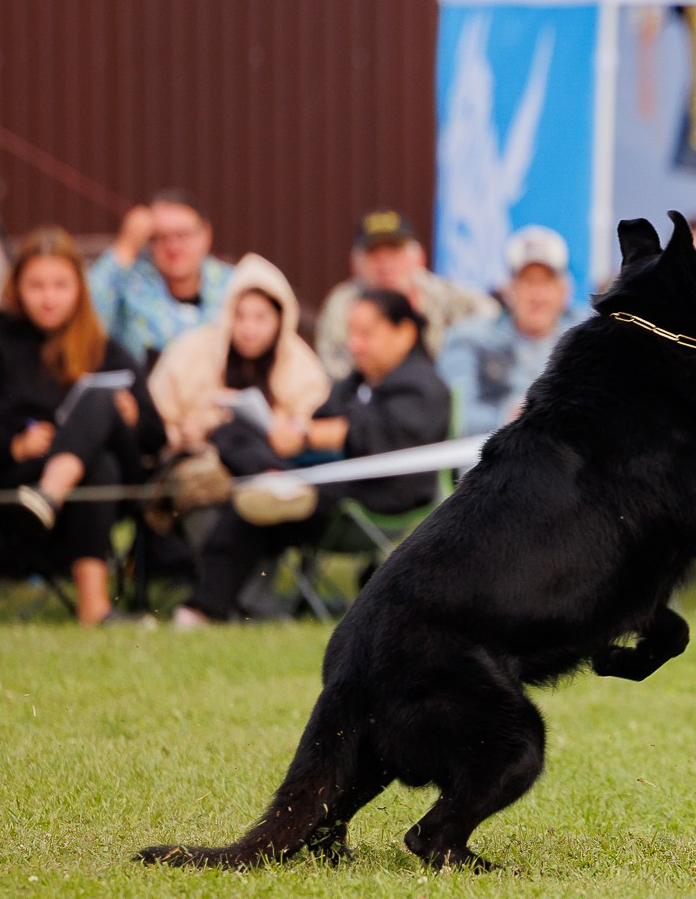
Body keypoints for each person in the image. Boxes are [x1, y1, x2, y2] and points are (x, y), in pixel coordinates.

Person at [174, 288, 451, 625]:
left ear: (404, 332)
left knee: (259, 506)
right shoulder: (355, 382)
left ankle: (204, 607)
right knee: (235, 442)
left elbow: (381, 437)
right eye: (352, 333)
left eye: (366, 334)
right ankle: (271, 478)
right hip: (321, 480)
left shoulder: (425, 385)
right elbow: (319, 420)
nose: (355, 344)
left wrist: (307, 434)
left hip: (381, 494)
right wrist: (283, 431)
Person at [0, 227, 165, 625]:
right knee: (100, 467)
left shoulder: (106, 351)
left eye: (60, 285)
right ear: (17, 287)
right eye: (37, 285)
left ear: (79, 288)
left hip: (101, 496)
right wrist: (12, 445)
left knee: (102, 400)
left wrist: (131, 419)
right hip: (16, 486)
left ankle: (51, 492)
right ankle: (94, 608)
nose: (49, 298)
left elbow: (155, 437)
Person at [146, 253, 331, 468]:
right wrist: (186, 433)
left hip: (282, 460)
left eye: (260, 317)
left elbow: (313, 421)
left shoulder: (300, 363)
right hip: (204, 468)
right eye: (240, 316)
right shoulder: (191, 352)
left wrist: (284, 429)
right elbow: (156, 417)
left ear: (281, 319)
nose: (248, 329)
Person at [314, 210, 497, 379]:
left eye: (394, 251)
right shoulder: (343, 306)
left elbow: (495, 319)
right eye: (374, 253)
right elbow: (335, 372)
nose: (384, 264)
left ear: (419, 258)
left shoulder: (445, 295)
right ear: (356, 266)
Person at [438, 226, 576, 436]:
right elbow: (453, 414)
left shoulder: (588, 341)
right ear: (509, 289)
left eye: (546, 283)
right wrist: (506, 417)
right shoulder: (471, 339)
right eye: (528, 282)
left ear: (564, 291)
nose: (537, 296)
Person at [86, 191, 234, 364]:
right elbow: (85, 320)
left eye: (183, 235)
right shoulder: (130, 284)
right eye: (161, 237)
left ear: (206, 234)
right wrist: (125, 248)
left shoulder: (233, 286)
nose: (173, 247)